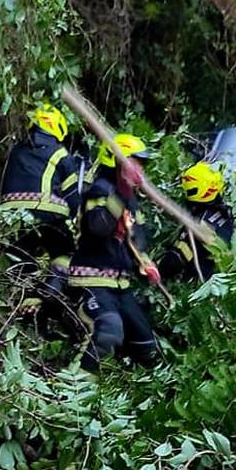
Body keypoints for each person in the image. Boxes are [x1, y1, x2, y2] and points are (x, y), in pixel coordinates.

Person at [67, 134, 162, 372]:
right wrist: (120, 192)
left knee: (148, 346)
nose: (139, 169)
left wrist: (147, 266)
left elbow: (137, 243)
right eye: (135, 162)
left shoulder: (132, 203)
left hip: (121, 287)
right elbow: (98, 227)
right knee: (108, 331)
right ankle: (71, 393)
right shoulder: (99, 190)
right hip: (91, 281)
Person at [0, 103, 83, 326]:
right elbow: (73, 195)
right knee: (65, 252)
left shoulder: (16, 150)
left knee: (23, 261)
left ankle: (23, 310)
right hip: (46, 213)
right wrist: (79, 218)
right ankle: (51, 289)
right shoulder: (60, 153)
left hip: (10, 216)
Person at [158, 160, 234, 282]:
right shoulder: (224, 211)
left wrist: (157, 271)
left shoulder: (201, 224)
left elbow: (174, 261)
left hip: (196, 280)